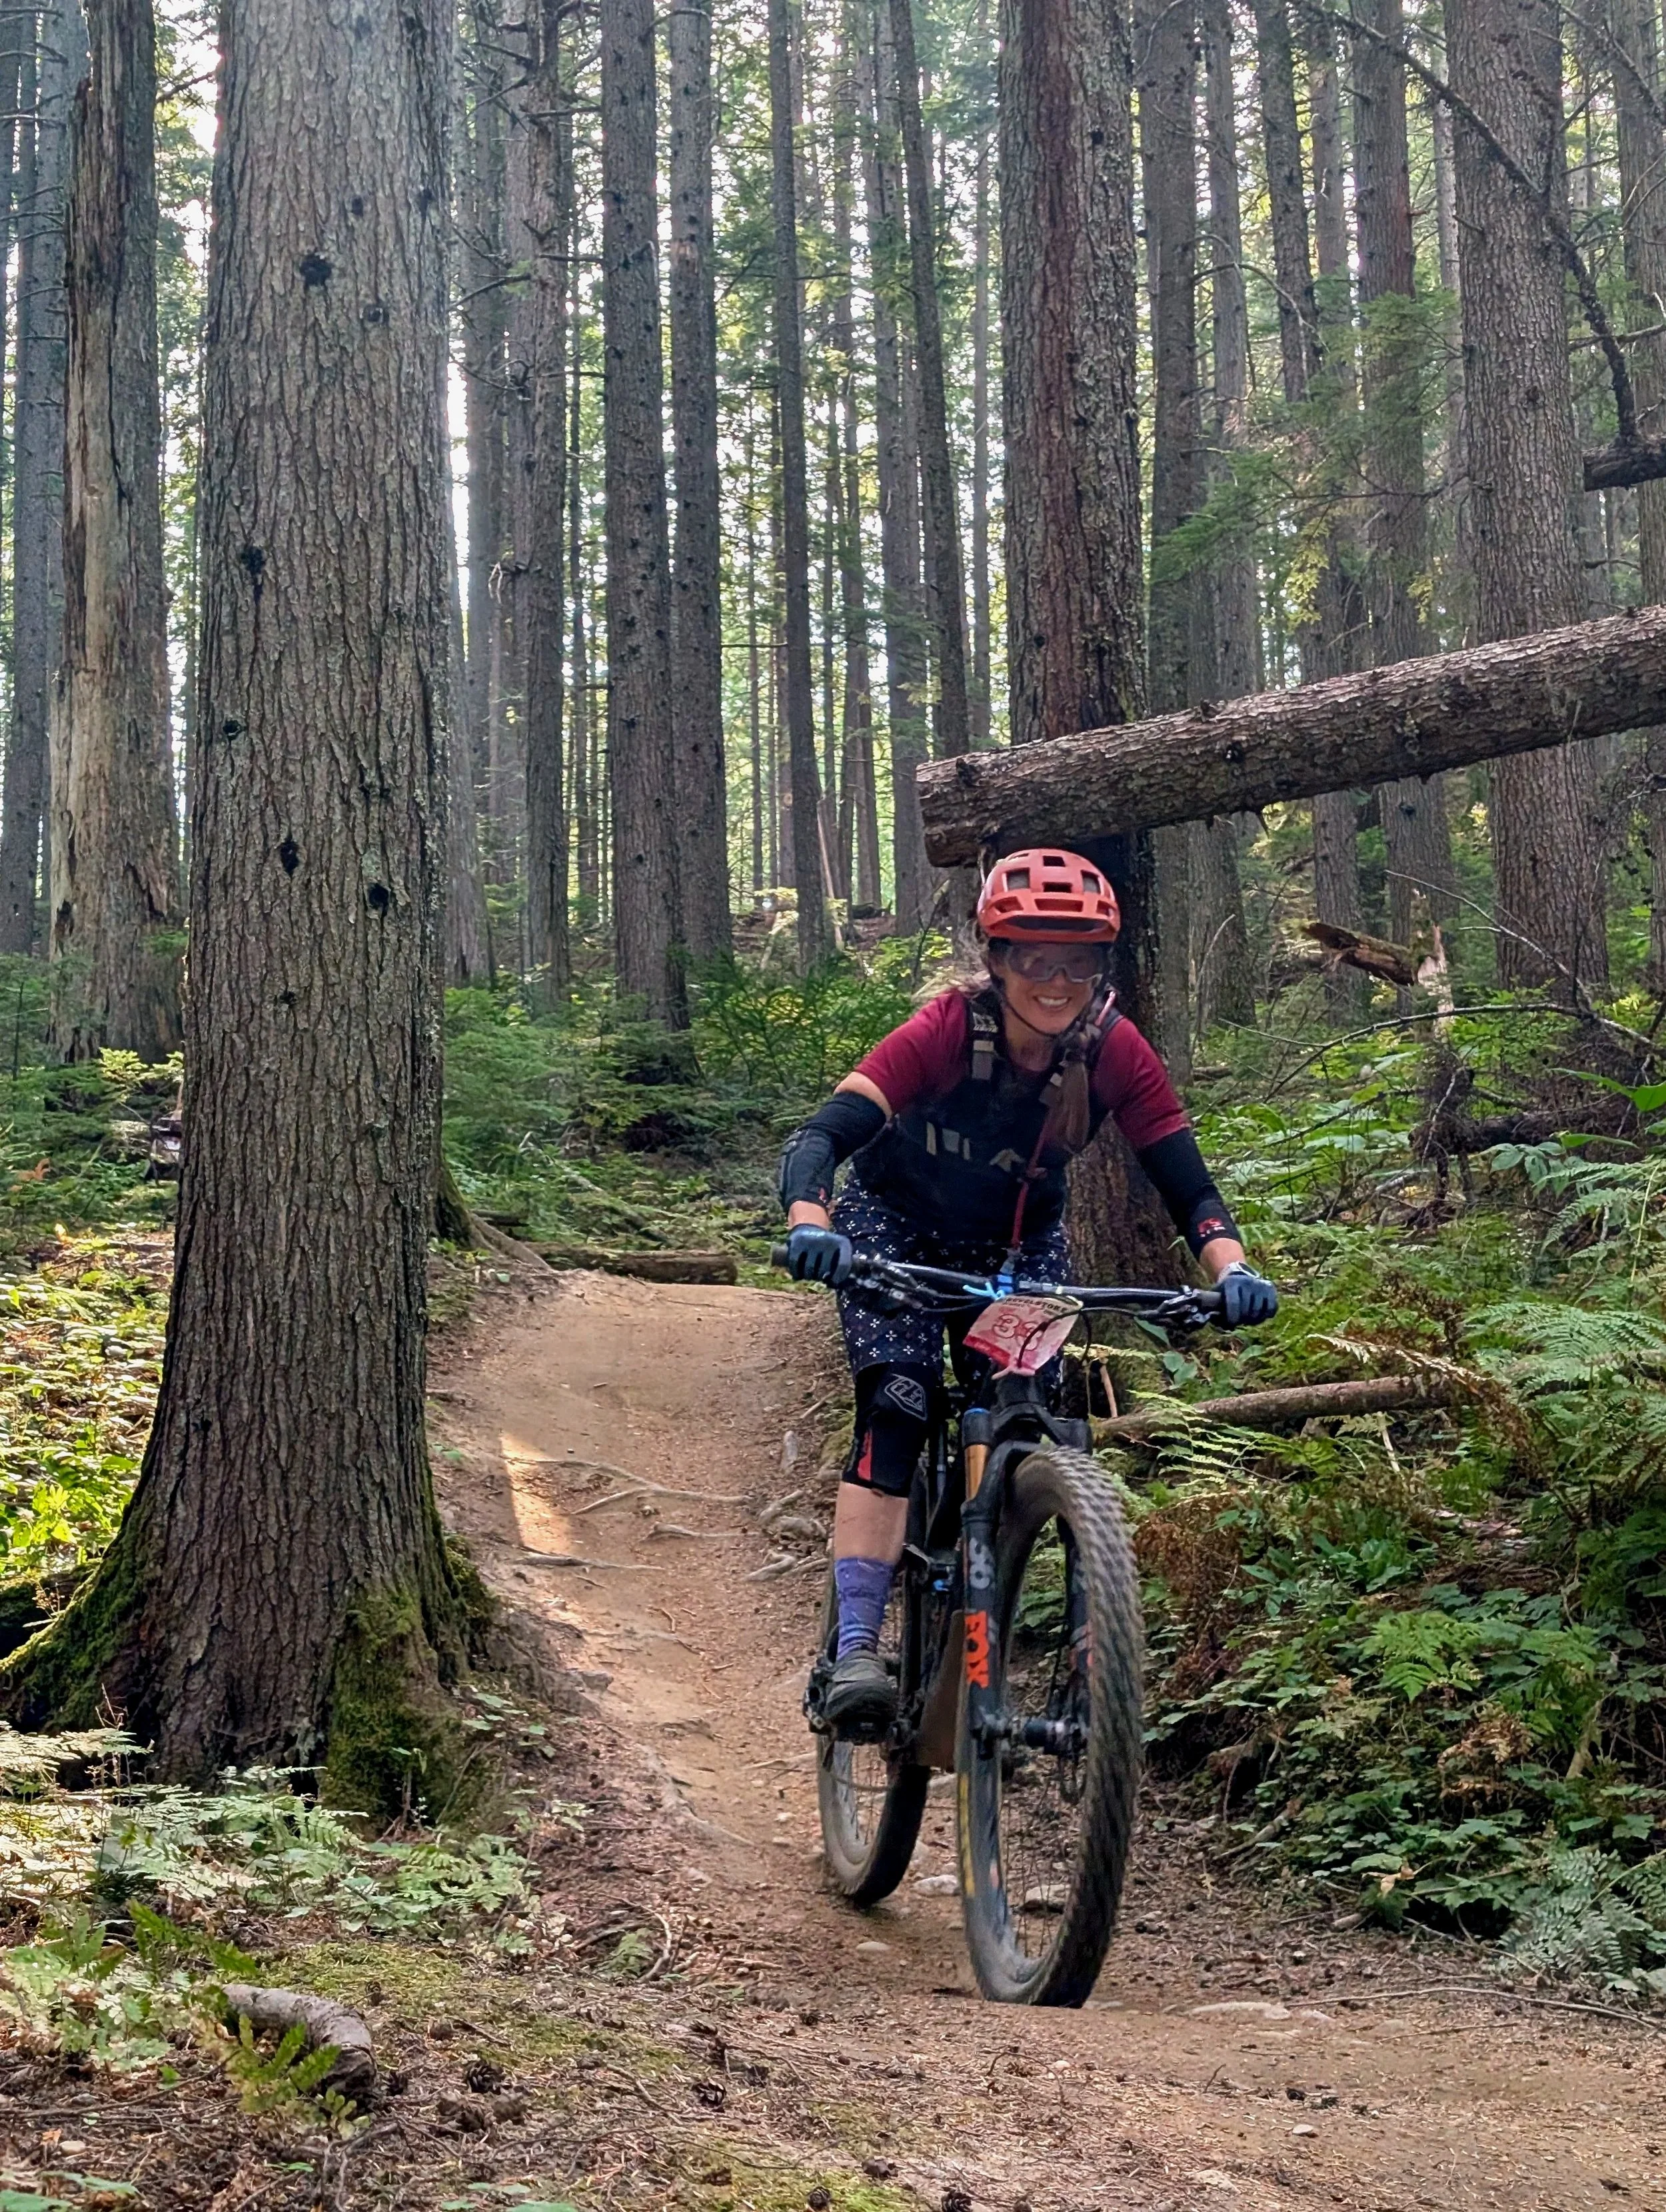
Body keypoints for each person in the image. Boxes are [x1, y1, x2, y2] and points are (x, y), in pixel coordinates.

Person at [776, 847, 1277, 1734]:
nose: (1056, 979)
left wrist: (1230, 1271)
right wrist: (812, 1224)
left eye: (1077, 959)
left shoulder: (1114, 1048)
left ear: (1100, 967)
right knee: (898, 1404)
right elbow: (824, 1134)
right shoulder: (943, 1031)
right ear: (996, 957)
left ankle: (1058, 1645)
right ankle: (856, 1646)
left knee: (1032, 1412)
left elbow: (1189, 1187)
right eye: (1033, 957)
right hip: (892, 1229)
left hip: (1016, 1243)